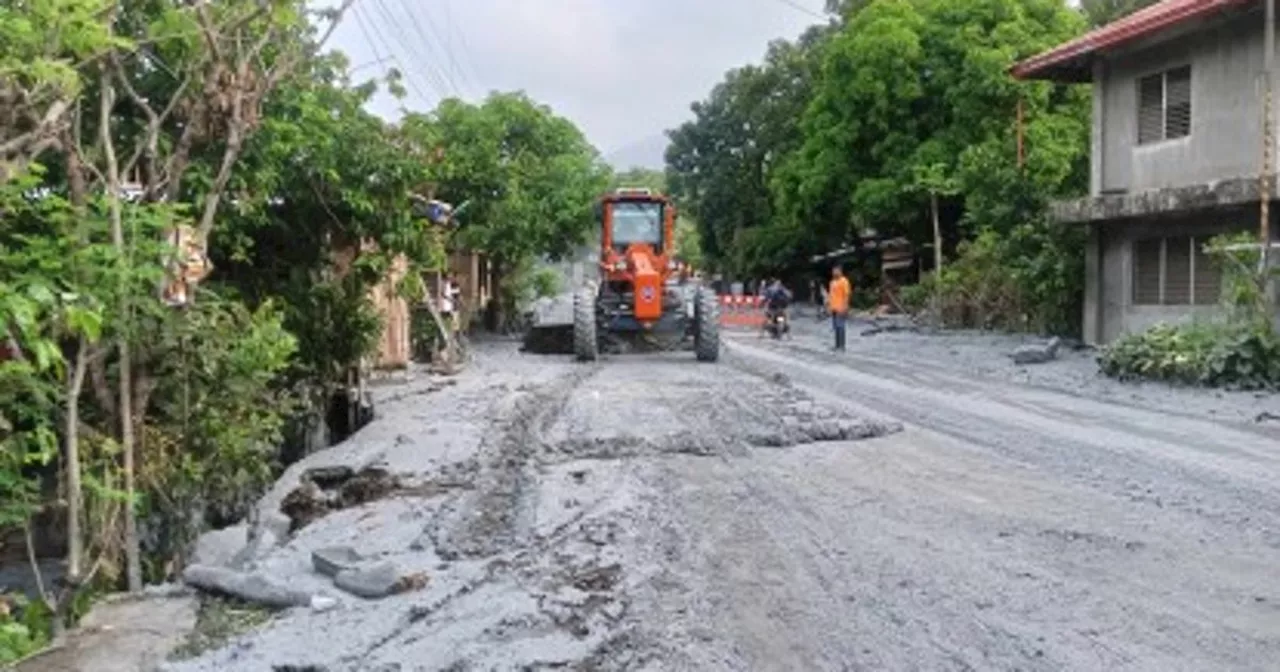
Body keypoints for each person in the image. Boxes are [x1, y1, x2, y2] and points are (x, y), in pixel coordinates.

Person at [828, 266, 851, 351]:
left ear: (840, 271)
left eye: (836, 271)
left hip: (841, 307)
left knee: (841, 326)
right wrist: (829, 307)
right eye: (833, 271)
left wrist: (845, 307)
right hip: (834, 307)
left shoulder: (844, 281)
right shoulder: (832, 282)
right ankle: (837, 345)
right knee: (835, 327)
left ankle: (842, 346)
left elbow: (846, 295)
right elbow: (831, 295)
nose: (834, 273)